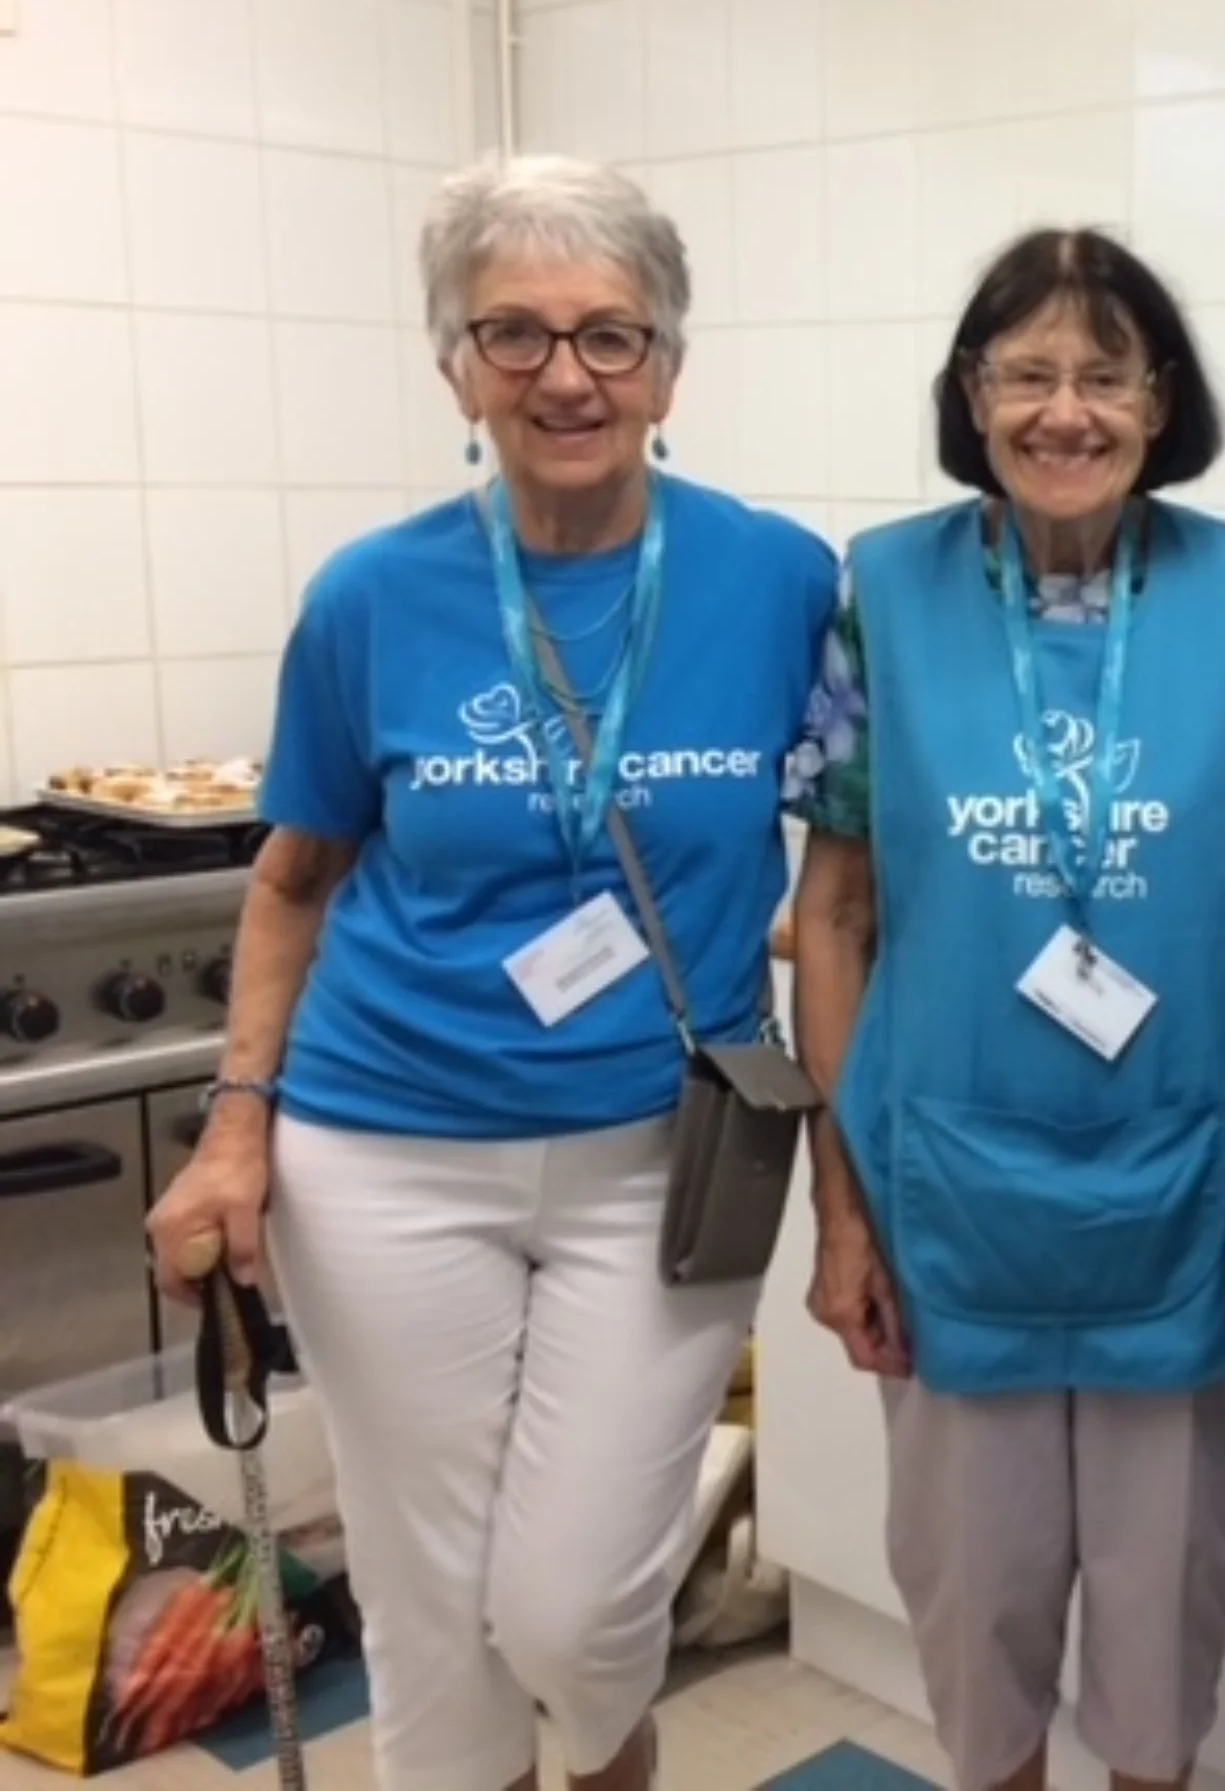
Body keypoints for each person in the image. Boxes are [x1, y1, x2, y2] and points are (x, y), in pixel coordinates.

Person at [144, 154, 836, 1791]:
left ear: (671, 364)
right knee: (428, 1609)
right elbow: (295, 874)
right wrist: (238, 1128)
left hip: (666, 1158)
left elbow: (859, 859)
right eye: (512, 334)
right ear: (453, 363)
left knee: (577, 1605)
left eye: (610, 333)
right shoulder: (373, 596)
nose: (565, 375)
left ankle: (608, 1754)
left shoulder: (782, 580)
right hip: (382, 1152)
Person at [786, 228, 1225, 1791]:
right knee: (979, 1629)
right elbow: (833, 911)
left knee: (1166, 1643)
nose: (1064, 409)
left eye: (1104, 373)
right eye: (1025, 372)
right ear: (972, 395)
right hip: (942, 1193)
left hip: (1196, 1189)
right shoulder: (885, 590)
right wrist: (840, 1201)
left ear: (1159, 401)